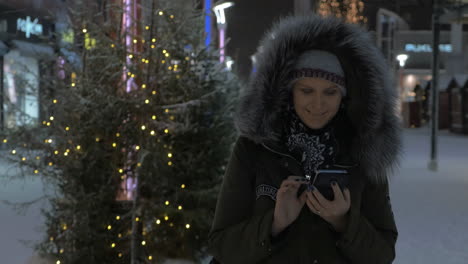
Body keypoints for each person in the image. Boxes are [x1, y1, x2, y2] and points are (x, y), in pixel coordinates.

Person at [207, 14, 402, 264]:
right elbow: (222, 246)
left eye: (330, 92)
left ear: (344, 96)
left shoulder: (362, 151)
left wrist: (344, 222)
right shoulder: (255, 148)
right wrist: (274, 224)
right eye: (306, 90)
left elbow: (383, 254)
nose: (318, 104)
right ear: (290, 92)